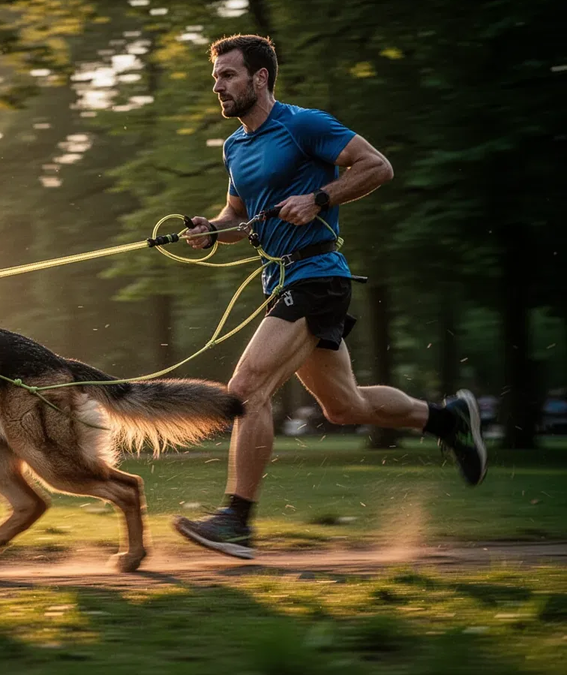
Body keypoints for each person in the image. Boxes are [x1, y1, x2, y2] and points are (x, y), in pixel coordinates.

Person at [172, 34, 487, 560]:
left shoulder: (303, 125)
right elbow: (239, 219)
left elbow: (376, 166)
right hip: (282, 280)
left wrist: (320, 198)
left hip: (317, 275)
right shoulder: (235, 146)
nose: (218, 86)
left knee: (247, 387)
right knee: (345, 407)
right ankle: (447, 418)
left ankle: (237, 521)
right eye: (216, 78)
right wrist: (210, 231)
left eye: (228, 75)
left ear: (260, 78)